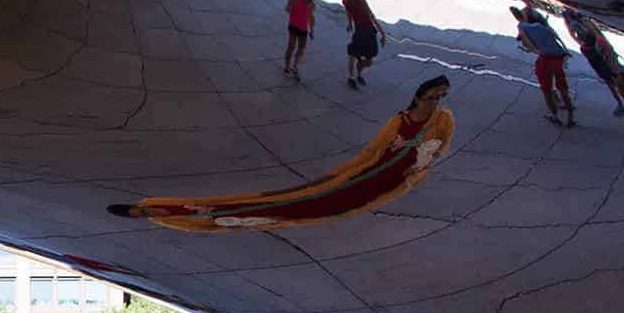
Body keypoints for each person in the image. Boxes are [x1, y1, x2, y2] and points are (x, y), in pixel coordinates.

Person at [122, 74, 454, 230]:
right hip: (368, 175)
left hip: (393, 179)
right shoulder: (399, 120)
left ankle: (203, 214)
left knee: (315, 204)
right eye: (432, 96)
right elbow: (372, 151)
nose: (436, 102)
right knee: (309, 200)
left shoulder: (442, 121)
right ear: (419, 95)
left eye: (441, 96)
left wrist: (419, 171)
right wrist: (342, 172)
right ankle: (196, 213)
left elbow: (438, 150)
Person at [562, 11, 624, 134]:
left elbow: (609, 53)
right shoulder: (590, 45)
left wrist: (616, 72)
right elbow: (576, 34)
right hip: (612, 72)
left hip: (617, 73)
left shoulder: (599, 45)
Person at [515, 6, 576, 127]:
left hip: (545, 59)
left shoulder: (523, 27)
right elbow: (557, 39)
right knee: (562, 87)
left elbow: (529, 46)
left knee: (546, 89)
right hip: (558, 57)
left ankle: (555, 116)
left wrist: (529, 46)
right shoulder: (544, 27)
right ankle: (570, 118)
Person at [340, 0, 378, 87]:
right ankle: (352, 77)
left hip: (368, 30)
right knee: (353, 53)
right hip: (362, 30)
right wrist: (349, 23)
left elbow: (370, 14)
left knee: (367, 58)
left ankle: (358, 73)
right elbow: (348, 11)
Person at [283, 0, 315, 78]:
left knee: (290, 47)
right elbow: (311, 15)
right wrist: (312, 29)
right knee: (301, 48)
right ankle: (294, 66)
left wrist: (292, 8)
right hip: (302, 27)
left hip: (293, 24)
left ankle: (287, 67)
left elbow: (287, 9)